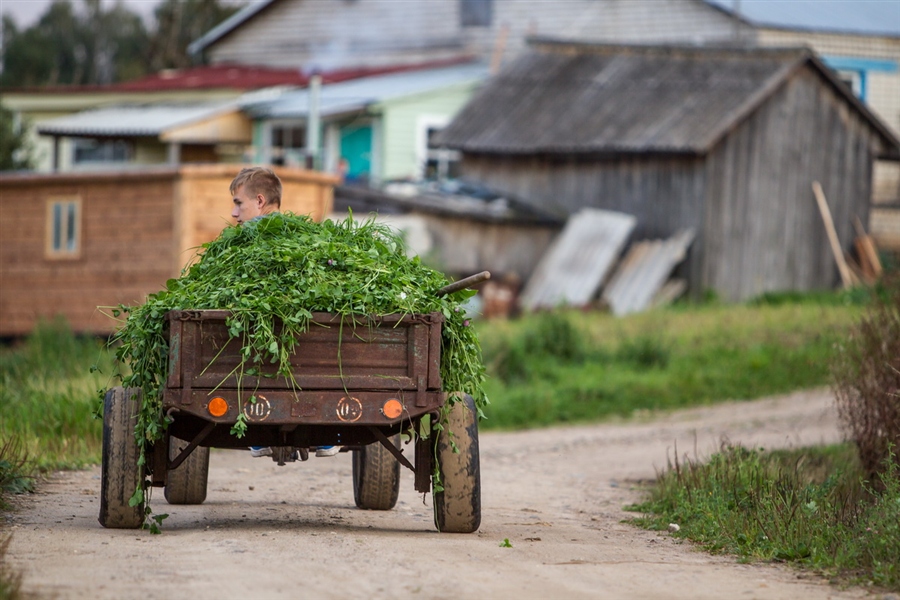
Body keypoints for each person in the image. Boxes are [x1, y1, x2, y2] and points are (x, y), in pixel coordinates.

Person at [230, 167, 340, 459]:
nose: (233, 213)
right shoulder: (307, 238)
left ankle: (256, 430)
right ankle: (326, 432)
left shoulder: (243, 242)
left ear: (260, 201)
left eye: (239, 203)